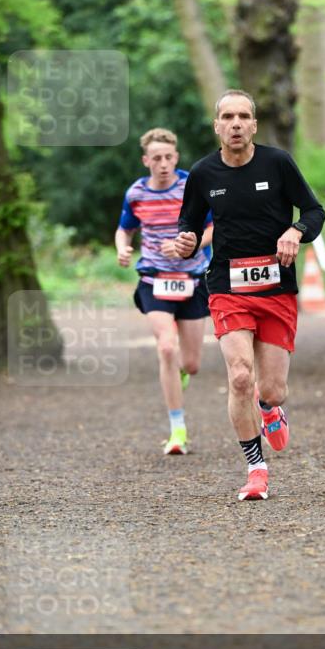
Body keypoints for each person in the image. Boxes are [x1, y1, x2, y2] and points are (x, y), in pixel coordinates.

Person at [174, 89, 325, 501]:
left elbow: (314, 211)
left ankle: (271, 409)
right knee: (240, 376)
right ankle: (256, 469)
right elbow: (187, 224)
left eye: (243, 116)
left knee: (270, 389)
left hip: (276, 287)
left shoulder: (277, 163)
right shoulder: (203, 174)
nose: (236, 123)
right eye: (228, 116)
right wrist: (185, 242)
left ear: (254, 124)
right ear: (217, 126)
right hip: (227, 287)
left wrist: (296, 231)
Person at [115, 128, 213, 455]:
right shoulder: (136, 193)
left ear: (177, 158)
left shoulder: (192, 186)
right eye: (156, 158)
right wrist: (123, 249)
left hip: (193, 279)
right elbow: (124, 229)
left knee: (193, 363)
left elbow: (214, 227)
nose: (163, 163)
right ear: (146, 160)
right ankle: (177, 430)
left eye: (168, 157)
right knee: (166, 348)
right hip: (154, 279)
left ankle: (182, 373)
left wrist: (189, 246)